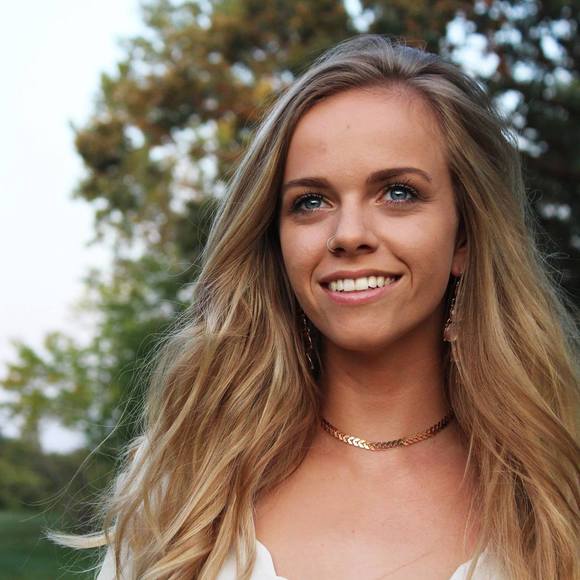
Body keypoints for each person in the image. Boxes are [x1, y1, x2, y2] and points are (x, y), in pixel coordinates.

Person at [58, 34, 579, 579]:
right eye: (310, 202)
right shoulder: (184, 492)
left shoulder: (555, 503)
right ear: (276, 239)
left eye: (398, 193)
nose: (348, 234)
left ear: (465, 236)